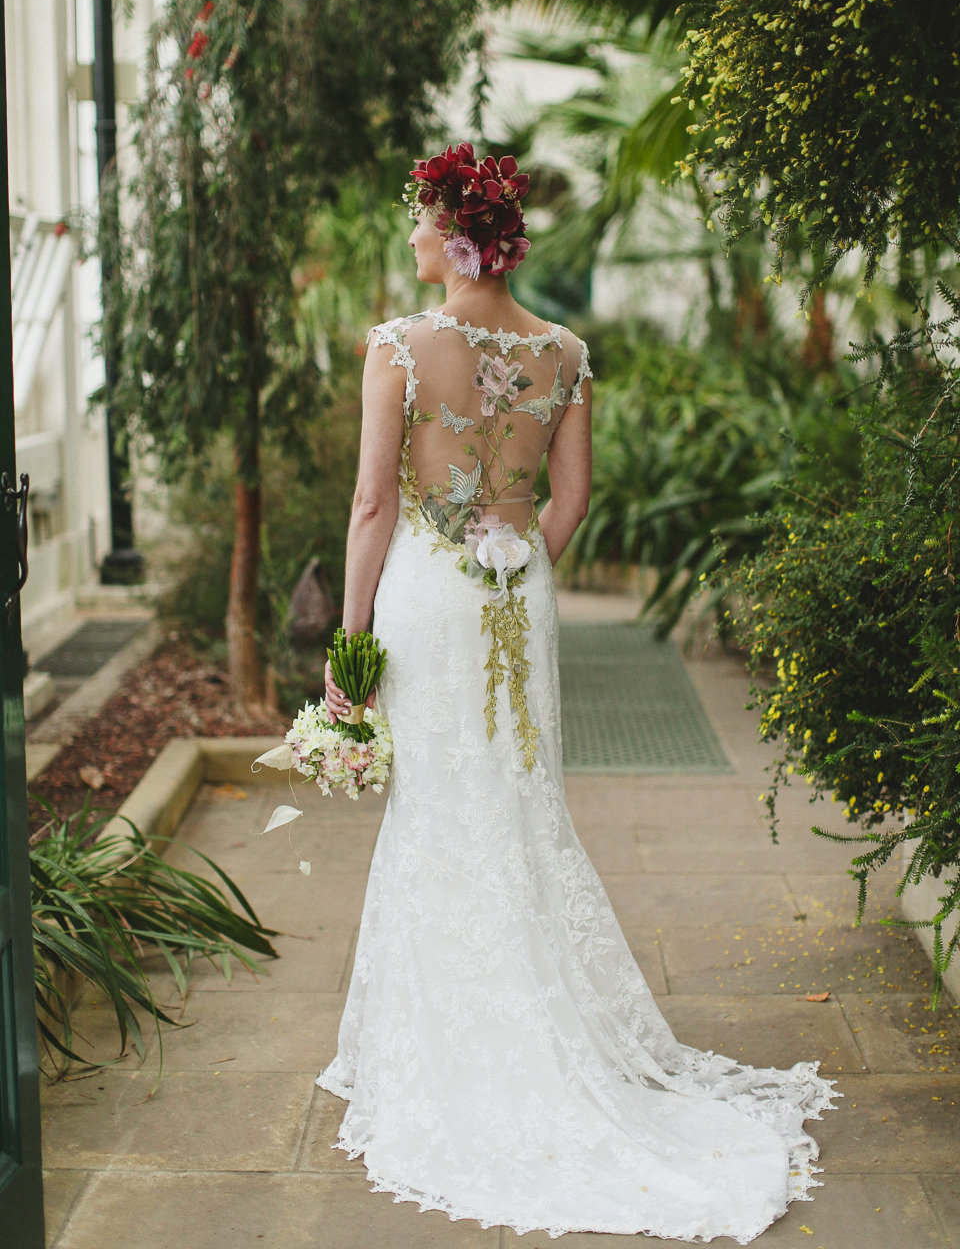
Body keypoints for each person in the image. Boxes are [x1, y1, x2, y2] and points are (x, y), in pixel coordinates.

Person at [317, 144, 838, 1243]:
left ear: (457, 238)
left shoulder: (399, 350)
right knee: (515, 801)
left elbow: (372, 506)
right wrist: (517, 571)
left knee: (444, 811)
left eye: (420, 221)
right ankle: (524, 1028)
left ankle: (461, 1053)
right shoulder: (563, 350)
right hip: (518, 596)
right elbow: (575, 494)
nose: (410, 237)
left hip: (426, 598)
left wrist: (350, 640)